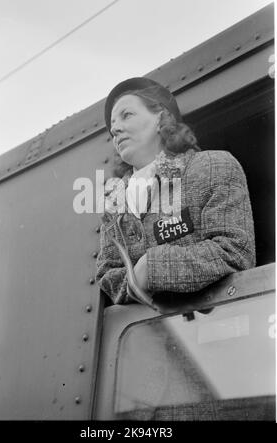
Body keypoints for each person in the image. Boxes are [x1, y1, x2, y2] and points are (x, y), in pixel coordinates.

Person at [96, 77, 256, 307]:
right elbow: (108, 275)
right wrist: (135, 282)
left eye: (126, 115)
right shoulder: (114, 204)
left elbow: (235, 252)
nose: (115, 128)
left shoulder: (212, 166)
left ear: (161, 116)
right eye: (112, 125)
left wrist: (153, 268)